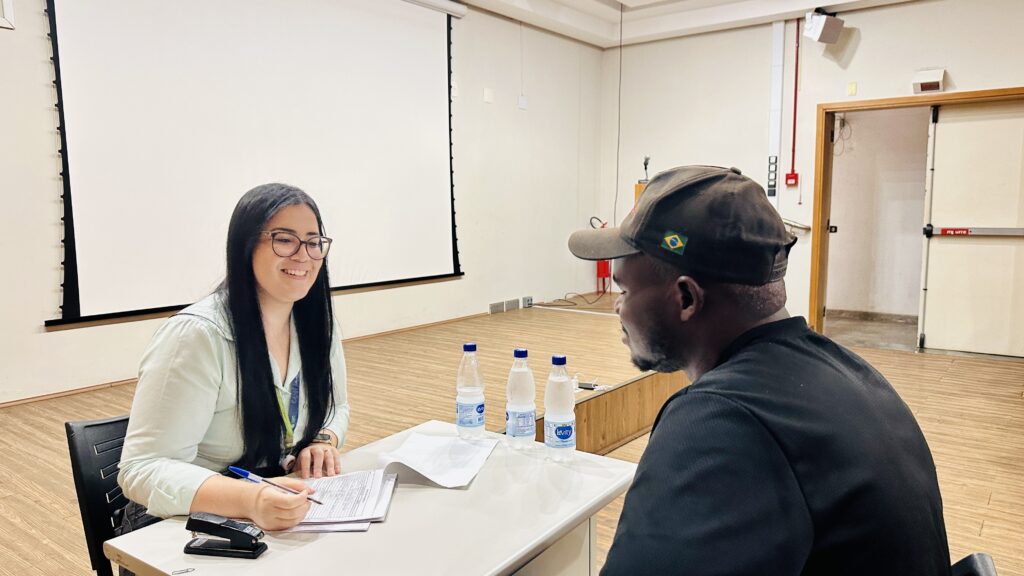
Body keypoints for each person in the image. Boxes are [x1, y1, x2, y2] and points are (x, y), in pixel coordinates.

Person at [568, 166, 949, 575]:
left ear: (685, 298)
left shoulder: (720, 426)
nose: (617, 307)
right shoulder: (849, 373)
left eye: (624, 290)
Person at [118, 183, 350, 534]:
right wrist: (249, 500)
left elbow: (337, 408)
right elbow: (143, 468)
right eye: (284, 239)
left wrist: (323, 439)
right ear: (246, 245)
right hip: (183, 522)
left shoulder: (317, 328)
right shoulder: (198, 336)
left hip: (278, 502)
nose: (303, 255)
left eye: (314, 242)